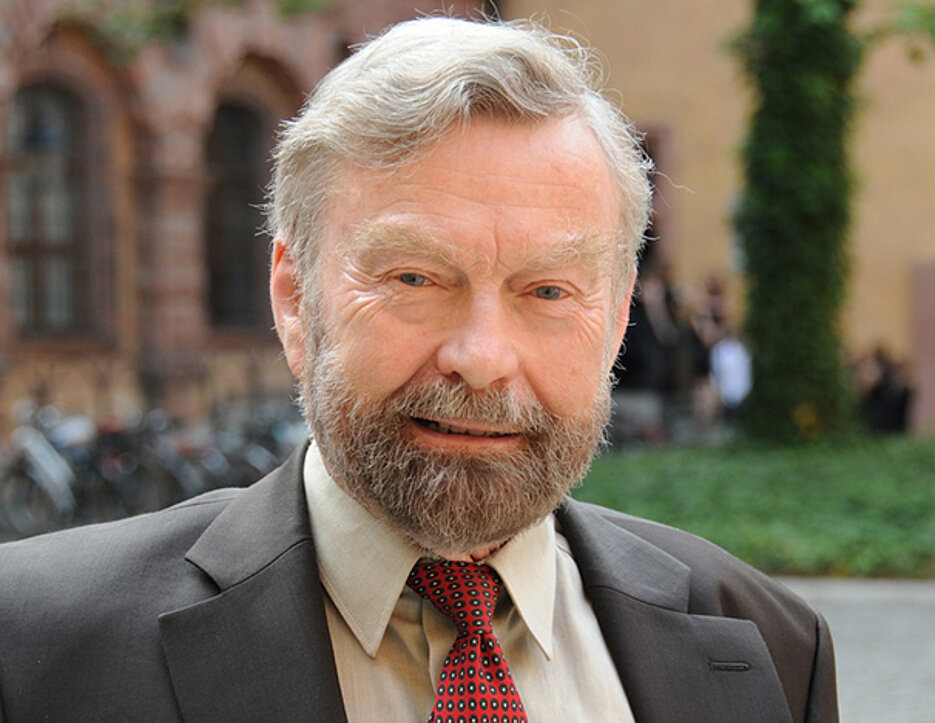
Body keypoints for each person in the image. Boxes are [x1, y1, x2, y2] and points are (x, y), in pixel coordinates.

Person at [0, 17, 836, 723]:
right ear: (294, 299)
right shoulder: (34, 644)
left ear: (616, 321)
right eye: (414, 279)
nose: (479, 358)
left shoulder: (769, 648)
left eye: (547, 290)